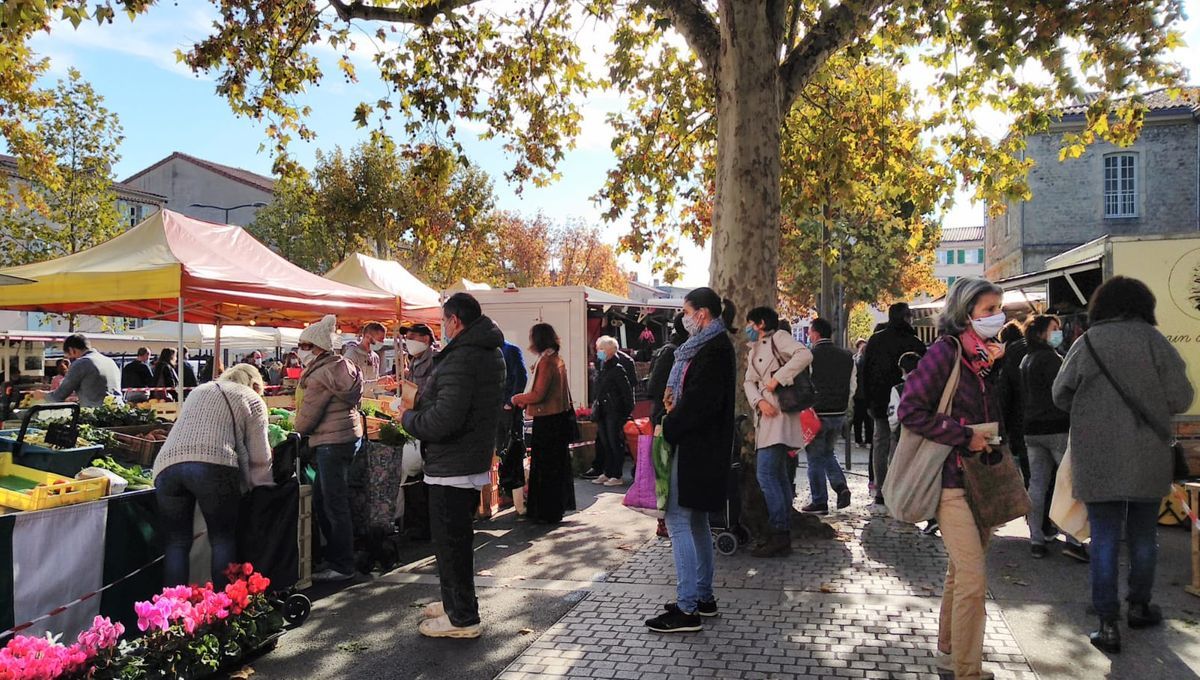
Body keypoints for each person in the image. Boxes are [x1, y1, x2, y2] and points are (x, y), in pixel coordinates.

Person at [1053, 276, 1194, 655]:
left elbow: (1059, 394)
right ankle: (1139, 605)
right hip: (1148, 455)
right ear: (1144, 305)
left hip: (1097, 456)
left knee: (1103, 538)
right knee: (1144, 536)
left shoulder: (1087, 343)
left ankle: (1106, 622)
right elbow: (1181, 397)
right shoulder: (1156, 342)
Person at [897, 276, 1008, 680]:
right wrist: (965, 435)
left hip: (979, 478)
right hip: (950, 480)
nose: (998, 316)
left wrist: (994, 369)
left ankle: (948, 652)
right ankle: (967, 670)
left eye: (999, 307)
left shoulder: (981, 359)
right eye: (989, 310)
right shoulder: (946, 352)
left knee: (961, 574)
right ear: (966, 314)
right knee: (974, 580)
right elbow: (910, 410)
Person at [398, 293, 505, 639]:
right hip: (462, 461)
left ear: (455, 320)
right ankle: (454, 603)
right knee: (454, 541)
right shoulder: (486, 352)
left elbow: (446, 418)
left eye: (443, 321)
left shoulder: (465, 357)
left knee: (452, 542)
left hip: (453, 464)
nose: (442, 328)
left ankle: (462, 617)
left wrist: (409, 418)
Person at [644, 287, 736, 633]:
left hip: (698, 447)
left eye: (685, 311)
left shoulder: (713, 349)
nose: (682, 319)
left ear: (701, 314)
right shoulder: (710, 346)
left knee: (679, 520)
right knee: (696, 522)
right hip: (702, 448)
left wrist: (669, 426)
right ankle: (702, 597)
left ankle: (687, 609)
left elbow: (699, 404)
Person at [152, 364, 273, 589]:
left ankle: (171, 612)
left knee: (176, 543)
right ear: (255, 385)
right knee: (222, 539)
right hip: (213, 464)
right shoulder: (251, 398)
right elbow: (260, 456)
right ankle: (222, 608)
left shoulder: (200, 389)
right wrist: (263, 488)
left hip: (166, 466)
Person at [292, 314, 364, 583]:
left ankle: (342, 564)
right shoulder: (344, 366)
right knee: (328, 500)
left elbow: (307, 417)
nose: (300, 351)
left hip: (330, 443)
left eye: (304, 345)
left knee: (332, 504)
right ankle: (337, 557)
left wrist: (294, 432)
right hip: (348, 437)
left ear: (317, 347)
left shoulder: (320, 375)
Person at [742, 306, 812, 558]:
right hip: (765, 415)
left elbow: (803, 355)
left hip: (782, 416)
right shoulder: (754, 349)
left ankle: (779, 531)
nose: (747, 328)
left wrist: (778, 379)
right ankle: (781, 532)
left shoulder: (779, 338)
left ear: (760, 323)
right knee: (778, 477)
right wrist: (759, 401)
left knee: (767, 475)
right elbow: (749, 381)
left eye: (750, 322)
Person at [1020, 315, 1088, 563]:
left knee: (1037, 485)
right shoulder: (1052, 359)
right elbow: (1065, 390)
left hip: (1032, 429)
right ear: (1040, 333)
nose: (1059, 332)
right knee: (1069, 483)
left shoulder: (1026, 359)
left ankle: (1036, 538)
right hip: (1057, 427)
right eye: (1054, 328)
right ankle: (1072, 539)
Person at [511, 323, 575, 524]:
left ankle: (546, 510)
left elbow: (539, 394)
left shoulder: (546, 361)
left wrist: (517, 398)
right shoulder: (555, 358)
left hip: (548, 420)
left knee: (546, 467)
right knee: (556, 466)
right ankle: (554, 508)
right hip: (557, 418)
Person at [863, 302, 926, 507]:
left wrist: (866, 400)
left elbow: (865, 372)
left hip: (880, 402)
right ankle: (900, 489)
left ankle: (881, 490)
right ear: (908, 318)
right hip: (910, 403)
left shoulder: (875, 341)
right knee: (903, 445)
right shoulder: (915, 343)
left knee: (881, 442)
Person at [804, 317, 855, 515]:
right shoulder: (846, 356)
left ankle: (819, 500)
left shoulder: (810, 356)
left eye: (809, 331)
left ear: (816, 333)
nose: (808, 335)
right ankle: (840, 486)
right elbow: (852, 385)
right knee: (827, 452)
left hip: (817, 413)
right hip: (838, 412)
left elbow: (805, 385)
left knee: (815, 457)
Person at [646, 313, 688, 539]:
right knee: (664, 472)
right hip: (665, 419)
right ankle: (664, 522)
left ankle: (666, 520)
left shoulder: (677, 350)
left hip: (667, 418)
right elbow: (654, 387)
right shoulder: (672, 352)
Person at [400, 323, 439, 542]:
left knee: (428, 476)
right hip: (416, 421)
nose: (409, 341)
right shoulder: (414, 361)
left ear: (426, 339)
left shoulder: (435, 359)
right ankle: (420, 524)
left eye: (413, 337)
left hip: (428, 421)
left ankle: (428, 526)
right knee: (418, 476)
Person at [586, 336, 634, 486]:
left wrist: (624, 413)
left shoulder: (617, 369)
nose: (598, 352)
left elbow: (626, 393)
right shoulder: (602, 366)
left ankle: (616, 474)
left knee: (614, 443)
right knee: (605, 443)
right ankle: (607, 472)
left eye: (600, 349)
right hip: (603, 410)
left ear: (608, 351)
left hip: (614, 412)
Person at [38, 334, 122, 407]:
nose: (71, 359)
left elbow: (58, 396)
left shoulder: (82, 363)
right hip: (119, 410)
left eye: (70, 355)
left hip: (97, 416)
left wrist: (41, 395)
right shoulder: (110, 361)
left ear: (72, 350)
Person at [997, 321, 1031, 485]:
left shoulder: (1008, 358)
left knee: (1030, 472)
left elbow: (1005, 396)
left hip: (1019, 421)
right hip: (1048, 419)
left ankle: (1033, 507)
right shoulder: (1035, 348)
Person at [647, 313, 688, 426]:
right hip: (664, 405)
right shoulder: (673, 352)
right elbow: (658, 381)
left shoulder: (666, 349)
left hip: (661, 404)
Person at [342, 322, 386, 397]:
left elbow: (374, 386)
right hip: (354, 403)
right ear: (367, 336)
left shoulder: (375, 357)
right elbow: (349, 385)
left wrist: (386, 386)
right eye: (380, 339)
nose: (382, 343)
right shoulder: (351, 355)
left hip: (370, 403)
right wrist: (377, 382)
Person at [852, 338, 873, 447]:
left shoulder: (856, 360)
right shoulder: (868, 360)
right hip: (865, 393)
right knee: (866, 419)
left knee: (859, 419)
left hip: (859, 393)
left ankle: (859, 440)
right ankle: (866, 440)